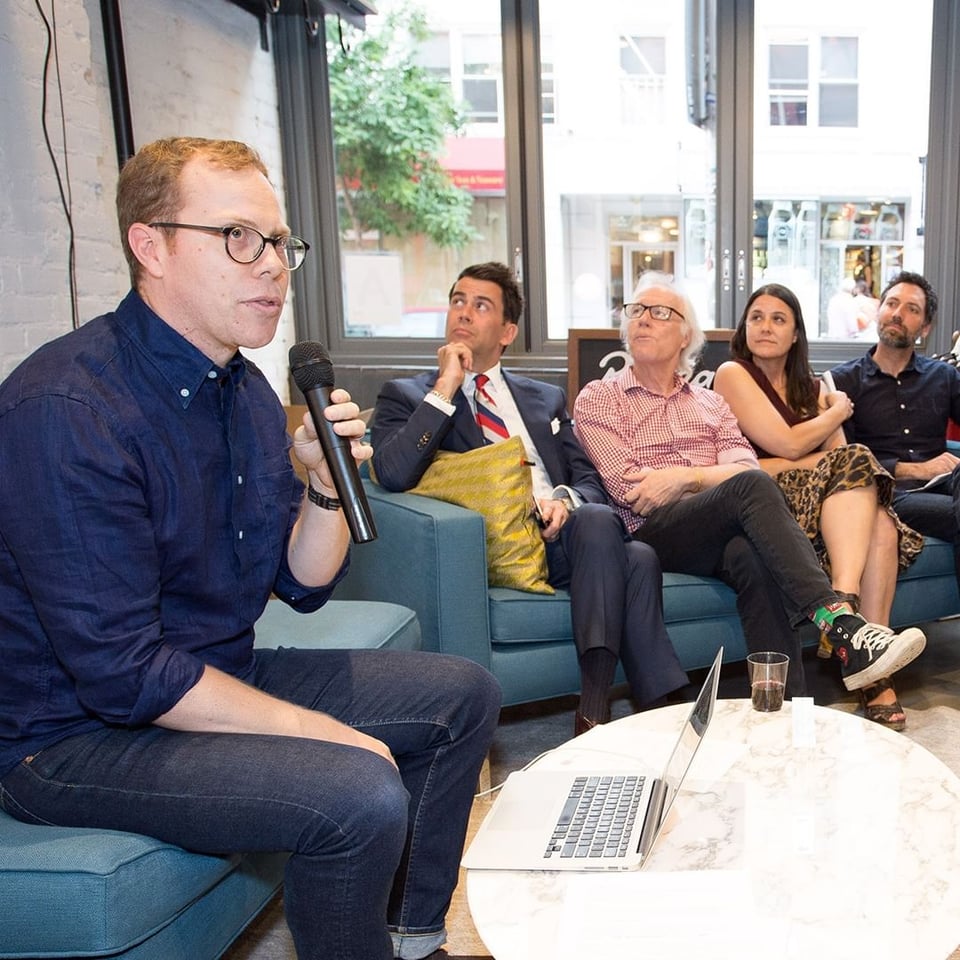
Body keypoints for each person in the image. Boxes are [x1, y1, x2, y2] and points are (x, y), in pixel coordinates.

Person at [0, 137, 501, 960]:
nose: (272, 265)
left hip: (209, 672)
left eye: (277, 241)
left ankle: (413, 941)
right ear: (150, 246)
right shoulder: (68, 410)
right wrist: (321, 733)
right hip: (72, 736)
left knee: (464, 694)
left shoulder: (248, 393)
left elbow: (302, 583)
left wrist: (325, 485)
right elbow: (125, 673)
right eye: (238, 237)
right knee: (358, 790)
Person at [572, 270, 926, 701]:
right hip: (651, 533)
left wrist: (686, 477)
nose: (643, 318)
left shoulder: (710, 402)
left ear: (685, 336)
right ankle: (842, 625)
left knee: (753, 555)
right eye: (636, 310)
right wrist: (712, 479)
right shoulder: (599, 397)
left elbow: (743, 464)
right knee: (751, 488)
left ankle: (783, 708)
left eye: (660, 312)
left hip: (714, 531)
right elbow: (631, 489)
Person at [370, 261, 689, 736]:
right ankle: (641, 708)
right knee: (636, 557)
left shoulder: (544, 397)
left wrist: (563, 500)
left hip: (561, 538)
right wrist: (446, 387)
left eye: (481, 305)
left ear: (508, 332)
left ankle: (615, 711)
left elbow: (588, 479)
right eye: (458, 301)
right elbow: (392, 473)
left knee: (602, 524)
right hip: (494, 545)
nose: (464, 312)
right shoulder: (408, 395)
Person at [712, 283, 924, 729]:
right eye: (756, 318)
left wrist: (826, 422)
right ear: (744, 329)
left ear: (795, 335)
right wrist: (836, 413)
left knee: (882, 524)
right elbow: (785, 447)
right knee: (861, 477)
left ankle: (869, 662)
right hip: (763, 501)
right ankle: (846, 620)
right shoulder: (733, 373)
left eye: (778, 319)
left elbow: (842, 462)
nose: (765, 327)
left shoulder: (812, 387)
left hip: (816, 500)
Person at [830, 270, 960, 597]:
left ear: (925, 328)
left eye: (912, 309)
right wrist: (914, 469)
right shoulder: (843, 381)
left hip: (945, 486)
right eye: (891, 304)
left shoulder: (944, 376)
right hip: (887, 496)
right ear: (880, 311)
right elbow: (842, 462)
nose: (898, 314)